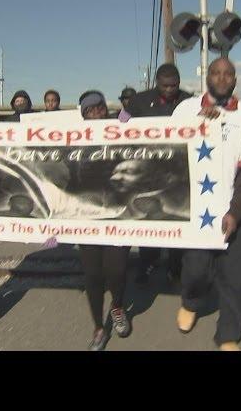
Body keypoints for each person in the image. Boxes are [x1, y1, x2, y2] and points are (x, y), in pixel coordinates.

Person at [172, 57, 241, 351]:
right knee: (196, 270)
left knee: (235, 279)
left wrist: (236, 212)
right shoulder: (185, 110)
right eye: (216, 72)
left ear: (235, 79)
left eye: (229, 74)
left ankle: (228, 334)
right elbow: (166, 151)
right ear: (207, 76)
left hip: (233, 211)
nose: (222, 78)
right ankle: (191, 301)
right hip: (196, 211)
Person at [121, 63, 193, 285]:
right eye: (166, 85)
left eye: (175, 85)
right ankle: (147, 263)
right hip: (147, 171)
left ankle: (175, 267)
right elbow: (119, 125)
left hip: (179, 172)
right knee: (148, 219)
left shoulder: (190, 102)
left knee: (176, 219)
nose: (171, 89)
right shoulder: (137, 102)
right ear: (157, 83)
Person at [77, 90, 132, 351]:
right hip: (86, 218)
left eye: (99, 107)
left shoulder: (122, 125)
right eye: (89, 111)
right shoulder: (74, 139)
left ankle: (118, 307)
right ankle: (98, 327)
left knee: (118, 270)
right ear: (83, 116)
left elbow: (148, 126)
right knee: (93, 275)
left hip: (118, 215)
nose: (96, 113)